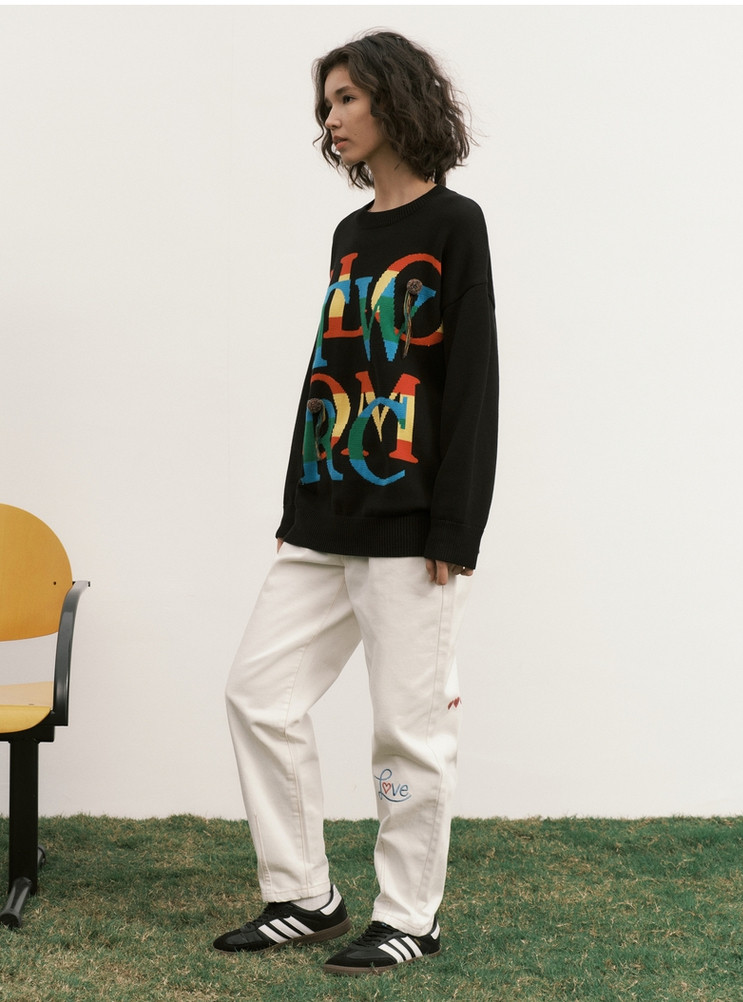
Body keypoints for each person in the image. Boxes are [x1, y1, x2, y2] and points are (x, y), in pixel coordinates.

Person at [215, 30, 498, 975]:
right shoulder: (350, 233)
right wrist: (296, 501)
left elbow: (471, 383)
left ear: (393, 99)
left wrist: (455, 525)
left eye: (345, 99)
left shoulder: (456, 225)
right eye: (326, 103)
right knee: (259, 695)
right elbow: (329, 372)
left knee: (406, 733)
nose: (330, 118)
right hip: (324, 515)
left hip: (412, 529)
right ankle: (305, 895)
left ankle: (410, 915)